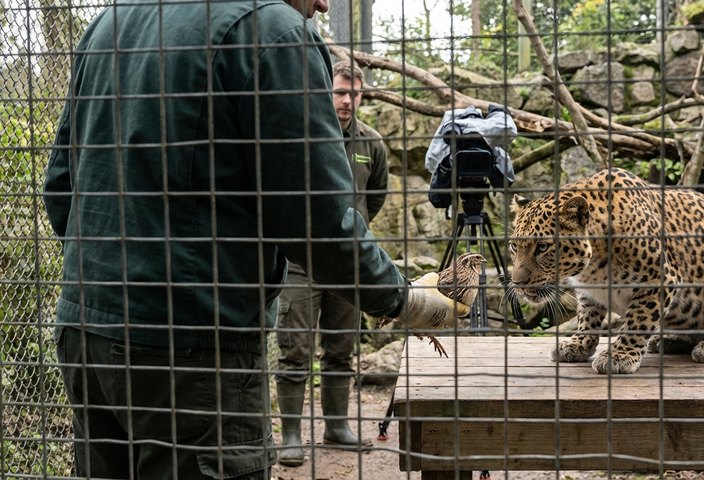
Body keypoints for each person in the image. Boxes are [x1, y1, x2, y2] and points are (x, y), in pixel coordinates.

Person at [43, 0, 467, 478]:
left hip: (86, 335)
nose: (323, 4)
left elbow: (61, 187)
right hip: (194, 349)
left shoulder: (111, 22)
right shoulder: (275, 32)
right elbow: (318, 218)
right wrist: (403, 300)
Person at [274, 61, 390, 467]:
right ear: (327, 91)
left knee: (341, 347)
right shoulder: (305, 134)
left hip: (346, 264)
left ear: (362, 96)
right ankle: (289, 435)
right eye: (339, 91)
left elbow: (375, 197)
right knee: (295, 348)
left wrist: (350, 240)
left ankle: (336, 426)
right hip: (299, 261)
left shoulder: (371, 143)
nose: (345, 100)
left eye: (353, 93)